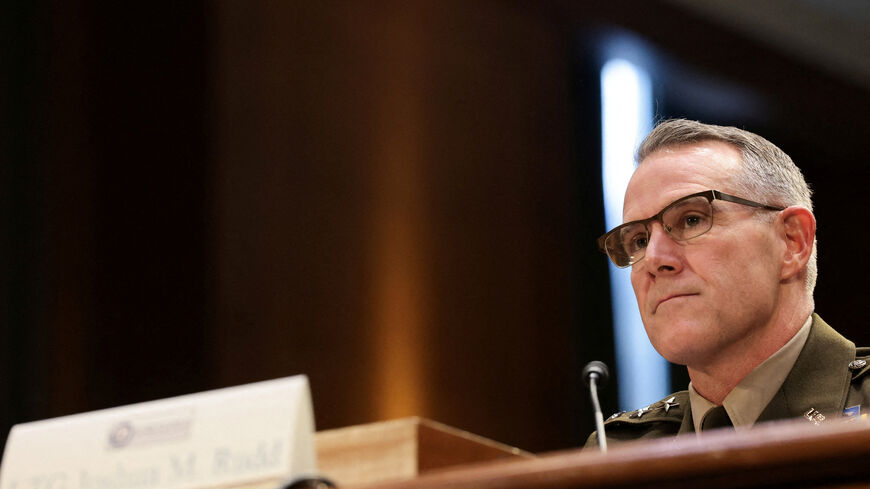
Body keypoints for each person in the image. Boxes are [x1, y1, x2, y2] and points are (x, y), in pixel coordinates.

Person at [588, 119, 870, 446]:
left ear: (792, 242)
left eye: (691, 219)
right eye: (638, 241)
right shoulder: (617, 453)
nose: (653, 259)